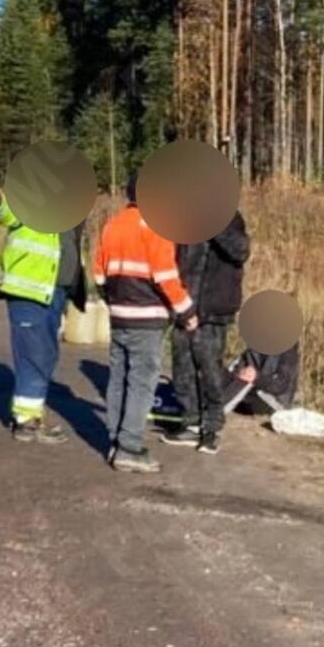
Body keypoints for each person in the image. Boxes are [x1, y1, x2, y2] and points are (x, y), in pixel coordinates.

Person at [95, 174, 197, 472]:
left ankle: (116, 440)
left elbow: (100, 274)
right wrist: (187, 312)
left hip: (119, 315)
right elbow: (166, 277)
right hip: (148, 317)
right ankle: (130, 446)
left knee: (118, 379)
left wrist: (114, 302)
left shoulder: (113, 224)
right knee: (142, 383)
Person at [0, 185, 87, 443]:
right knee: (33, 354)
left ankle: (31, 415)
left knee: (46, 354)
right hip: (29, 292)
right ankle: (26, 422)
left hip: (54, 293)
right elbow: (8, 213)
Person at [157, 212, 250, 454]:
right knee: (182, 367)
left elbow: (240, 251)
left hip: (213, 309)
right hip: (184, 305)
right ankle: (190, 421)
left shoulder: (230, 218)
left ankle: (212, 427)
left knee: (210, 368)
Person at [220, 342, 301, 417]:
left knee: (249, 378)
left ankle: (217, 409)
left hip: (275, 400)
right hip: (254, 394)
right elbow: (235, 368)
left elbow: (280, 385)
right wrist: (240, 372)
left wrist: (257, 377)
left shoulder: (288, 350)